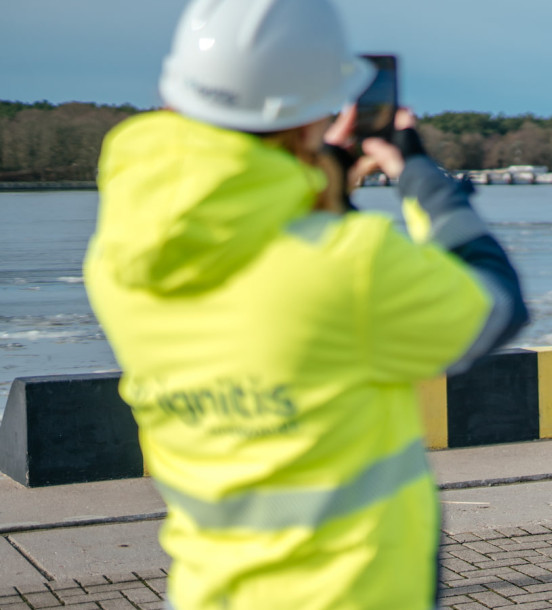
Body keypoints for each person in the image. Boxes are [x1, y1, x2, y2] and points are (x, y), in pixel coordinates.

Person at [83, 0, 528, 607]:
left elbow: (244, 226)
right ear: (311, 116)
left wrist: (320, 172)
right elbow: (495, 308)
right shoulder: (351, 263)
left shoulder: (119, 255)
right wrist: (423, 180)